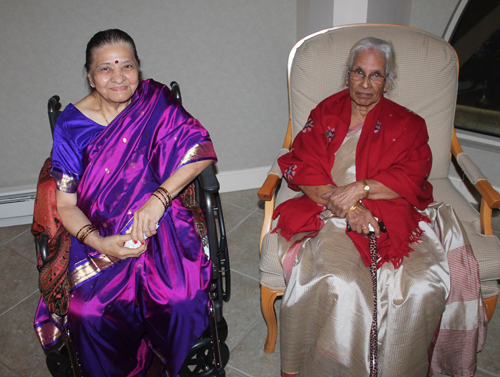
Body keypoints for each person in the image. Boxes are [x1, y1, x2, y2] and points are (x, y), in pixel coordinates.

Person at [271, 37, 486, 376]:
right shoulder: (326, 113)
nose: (366, 84)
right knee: (340, 282)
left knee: (421, 286)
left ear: (389, 80)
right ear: (347, 75)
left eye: (376, 75)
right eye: (359, 72)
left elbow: (414, 175)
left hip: (393, 214)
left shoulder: (409, 124)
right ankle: (335, 365)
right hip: (333, 212)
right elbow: (303, 167)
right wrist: (350, 207)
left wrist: (362, 187)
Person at [34, 29, 217, 376]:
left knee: (179, 300)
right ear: (89, 76)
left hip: (160, 227)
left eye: (127, 66)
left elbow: (201, 150)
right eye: (105, 68)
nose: (118, 77)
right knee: (88, 313)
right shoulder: (71, 125)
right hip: (99, 234)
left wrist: (159, 200)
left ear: (139, 69)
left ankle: (169, 366)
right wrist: (99, 241)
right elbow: (66, 204)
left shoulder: (155, 101)